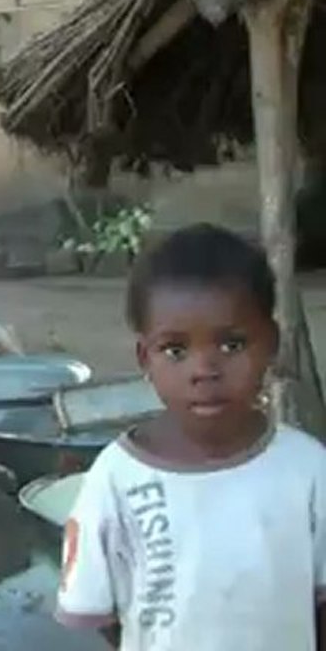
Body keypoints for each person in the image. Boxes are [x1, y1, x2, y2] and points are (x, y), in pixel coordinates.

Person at [55, 223, 326, 650]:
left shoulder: (308, 469)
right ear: (145, 358)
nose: (205, 370)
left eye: (232, 345)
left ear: (271, 343)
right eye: (175, 351)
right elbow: (105, 614)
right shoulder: (116, 478)